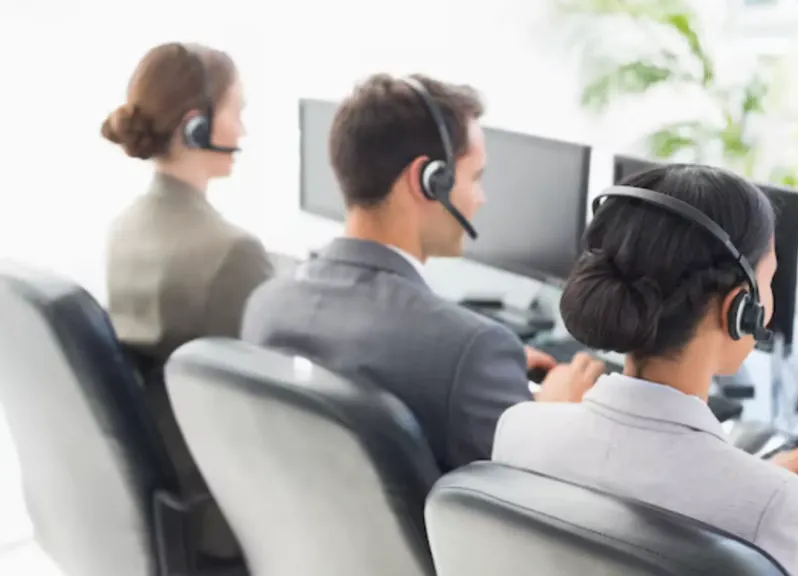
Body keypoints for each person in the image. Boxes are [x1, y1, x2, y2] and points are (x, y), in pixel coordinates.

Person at [492, 165, 798, 576]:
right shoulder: (783, 506)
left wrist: (759, 484)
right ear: (739, 308)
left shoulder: (519, 431)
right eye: (769, 279)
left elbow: (650, 484)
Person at [242, 73, 604, 472]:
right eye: (475, 177)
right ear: (428, 182)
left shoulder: (266, 305)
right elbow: (517, 503)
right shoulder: (469, 349)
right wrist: (550, 414)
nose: (481, 199)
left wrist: (489, 370)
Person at [102, 42, 270, 564]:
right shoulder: (230, 253)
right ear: (197, 128)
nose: (242, 132)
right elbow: (275, 405)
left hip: (155, 491)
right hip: (218, 511)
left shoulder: (123, 227)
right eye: (236, 113)